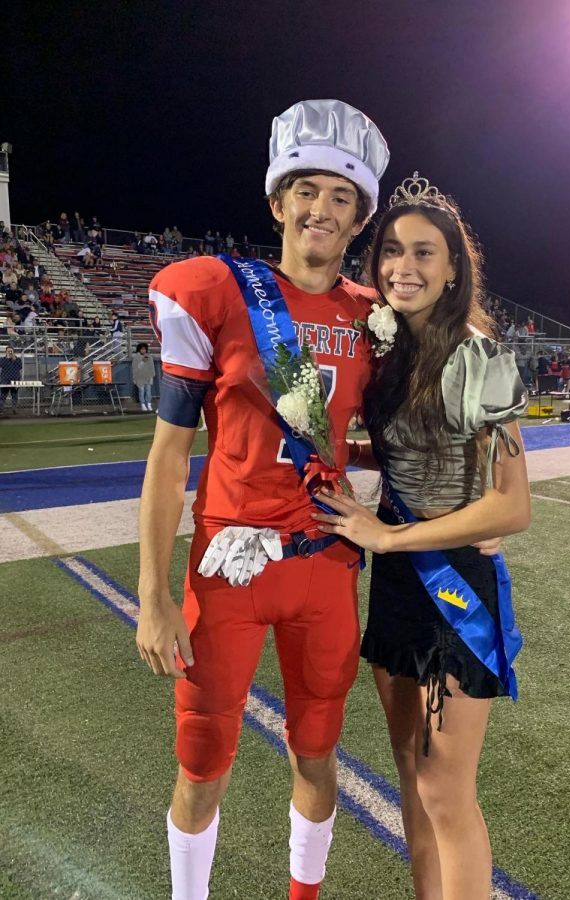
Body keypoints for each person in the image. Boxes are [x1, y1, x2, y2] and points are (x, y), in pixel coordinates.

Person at [135, 99, 389, 900]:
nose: (323, 208)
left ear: (359, 220)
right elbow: (168, 455)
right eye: (308, 190)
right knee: (203, 761)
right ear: (278, 202)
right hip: (231, 564)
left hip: (325, 564)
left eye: (342, 197)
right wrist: (151, 591)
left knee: (318, 752)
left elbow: (384, 437)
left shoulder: (370, 316)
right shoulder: (216, 289)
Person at [311, 175, 531, 900]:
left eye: (424, 253)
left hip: (456, 582)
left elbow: (511, 507)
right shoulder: (390, 349)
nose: (404, 266)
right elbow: (414, 449)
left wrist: (390, 536)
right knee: (408, 768)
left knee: (444, 789)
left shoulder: (480, 358)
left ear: (452, 268)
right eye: (392, 252)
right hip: (399, 585)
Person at [132, 342, 155, 411]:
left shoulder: (149, 356)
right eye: (142, 349)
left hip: (148, 377)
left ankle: (149, 404)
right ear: (139, 349)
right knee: (141, 391)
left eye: (144, 349)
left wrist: (152, 375)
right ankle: (142, 404)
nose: (143, 350)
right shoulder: (136, 357)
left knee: (148, 391)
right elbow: (135, 368)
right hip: (140, 377)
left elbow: (152, 366)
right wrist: (142, 362)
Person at [0, 346, 22, 414]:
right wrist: (7, 358)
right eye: (8, 351)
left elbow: (20, 367)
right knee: (3, 395)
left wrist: (14, 359)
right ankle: (1, 409)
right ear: (6, 352)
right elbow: (2, 365)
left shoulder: (18, 359)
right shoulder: (2, 359)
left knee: (14, 395)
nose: (10, 352)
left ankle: (14, 409)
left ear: (13, 351)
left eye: (11, 351)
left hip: (15, 380)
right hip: (5, 380)